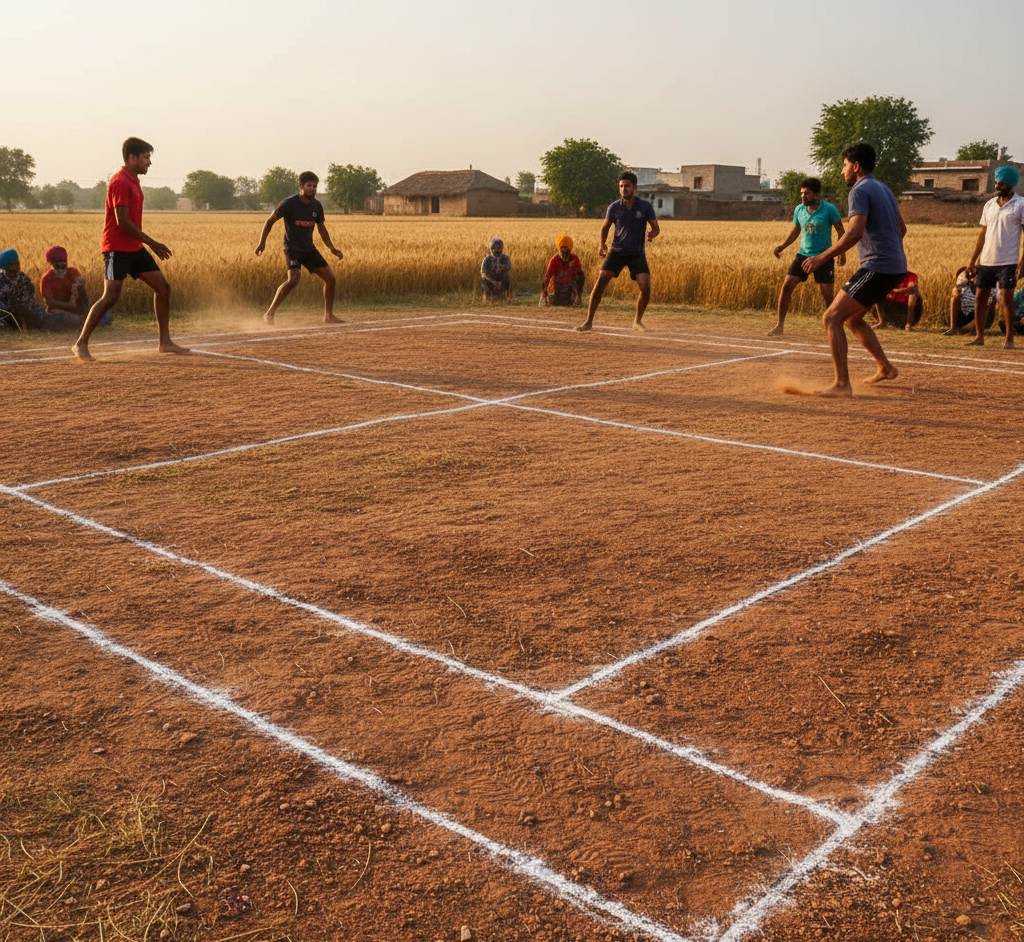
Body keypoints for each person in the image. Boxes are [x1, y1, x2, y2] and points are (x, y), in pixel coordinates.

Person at [801, 143, 904, 396]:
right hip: (895, 266)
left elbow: (854, 232)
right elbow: (901, 229)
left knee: (831, 318)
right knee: (852, 318)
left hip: (878, 267)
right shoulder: (884, 188)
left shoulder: (859, 190)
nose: (841, 171)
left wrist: (821, 258)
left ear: (856, 166)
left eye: (844, 165)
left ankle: (842, 385)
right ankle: (885, 367)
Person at [71, 138, 187, 362]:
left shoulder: (133, 180)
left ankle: (165, 342)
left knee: (163, 288)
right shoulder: (120, 181)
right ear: (132, 158)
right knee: (111, 296)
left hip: (135, 247)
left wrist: (145, 244)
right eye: (146, 157)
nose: (149, 162)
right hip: (116, 248)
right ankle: (80, 344)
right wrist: (152, 243)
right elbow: (122, 221)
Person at [255, 171, 344, 325]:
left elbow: (322, 229)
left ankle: (328, 316)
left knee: (330, 278)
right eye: (309, 185)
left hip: (309, 250)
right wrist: (262, 242)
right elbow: (270, 221)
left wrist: (332, 248)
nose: (312, 188)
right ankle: (269, 314)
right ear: (301, 186)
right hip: (292, 249)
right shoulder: (289, 203)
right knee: (294, 279)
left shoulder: (317, 206)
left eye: (315, 186)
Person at [577, 171, 659, 332]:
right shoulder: (614, 207)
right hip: (617, 251)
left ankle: (637, 321)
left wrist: (652, 233)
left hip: (637, 253)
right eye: (621, 186)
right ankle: (588, 321)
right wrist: (602, 245)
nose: (624, 189)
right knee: (600, 283)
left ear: (634, 187)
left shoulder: (645, 206)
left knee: (646, 287)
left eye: (627, 186)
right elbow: (605, 227)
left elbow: (656, 227)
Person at [767, 178, 845, 336]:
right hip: (802, 255)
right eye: (802, 193)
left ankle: (832, 328)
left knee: (828, 296)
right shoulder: (799, 210)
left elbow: (841, 232)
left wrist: (841, 253)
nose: (803, 196)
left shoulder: (830, 210)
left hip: (824, 257)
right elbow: (795, 231)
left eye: (806, 193)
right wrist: (783, 246)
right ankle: (779, 325)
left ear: (817, 194)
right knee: (787, 286)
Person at [965, 165, 1024, 349]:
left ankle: (1009, 339)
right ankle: (979, 336)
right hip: (986, 260)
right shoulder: (989, 205)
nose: (997, 186)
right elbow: (982, 234)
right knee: (981, 297)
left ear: (1011, 184)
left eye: (1002, 183)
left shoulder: (1021, 204)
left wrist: (1022, 263)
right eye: (997, 182)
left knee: (1006, 299)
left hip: (1008, 261)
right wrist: (972, 261)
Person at [0, 249, 79, 331]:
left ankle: (37, 326)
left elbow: (30, 298)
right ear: (6, 267)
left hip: (34, 316)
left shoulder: (23, 279)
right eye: (13, 265)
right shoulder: (2, 280)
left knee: (74, 320)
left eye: (18, 263)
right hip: (11, 318)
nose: (17, 267)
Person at [40, 246, 110, 327]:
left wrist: (81, 284)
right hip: (59, 311)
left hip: (77, 310)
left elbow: (82, 291)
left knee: (106, 316)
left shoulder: (73, 272)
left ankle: (83, 319)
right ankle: (84, 321)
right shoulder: (46, 279)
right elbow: (49, 302)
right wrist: (68, 305)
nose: (61, 270)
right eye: (57, 266)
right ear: (51, 265)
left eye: (63, 266)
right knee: (73, 320)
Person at [943, 267, 994, 336]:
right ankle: (953, 328)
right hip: (964, 315)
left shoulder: (988, 287)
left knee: (987, 305)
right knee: (956, 293)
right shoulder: (961, 289)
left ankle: (974, 329)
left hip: (981, 314)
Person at [540, 234, 584, 307]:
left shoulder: (574, 259)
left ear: (570, 251)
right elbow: (547, 278)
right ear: (559, 251)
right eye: (562, 252)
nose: (564, 255)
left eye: (566, 253)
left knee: (581, 274)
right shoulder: (554, 261)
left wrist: (576, 293)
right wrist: (544, 294)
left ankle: (578, 299)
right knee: (557, 303)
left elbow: (578, 275)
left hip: (570, 288)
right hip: (558, 288)